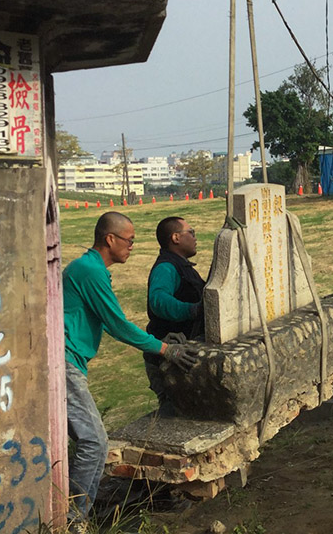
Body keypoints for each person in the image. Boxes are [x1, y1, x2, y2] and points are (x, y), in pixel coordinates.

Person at [63, 212, 198, 521]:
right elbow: (118, 325)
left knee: (92, 442)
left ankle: (78, 511)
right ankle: (73, 520)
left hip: (73, 362)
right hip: (65, 362)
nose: (132, 246)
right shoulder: (88, 271)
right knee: (94, 442)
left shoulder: (93, 269)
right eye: (129, 240)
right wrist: (166, 350)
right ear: (110, 239)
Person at [144, 217, 205, 413]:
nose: (195, 237)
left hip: (180, 355)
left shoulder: (182, 266)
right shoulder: (166, 267)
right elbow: (158, 301)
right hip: (167, 356)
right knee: (173, 413)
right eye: (191, 232)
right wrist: (191, 310)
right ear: (176, 238)